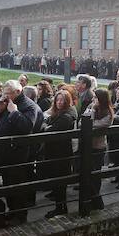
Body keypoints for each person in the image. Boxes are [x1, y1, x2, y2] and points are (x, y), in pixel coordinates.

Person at [0, 79, 42, 224]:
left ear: (18, 92)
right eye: (4, 93)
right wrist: (0, 110)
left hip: (19, 154)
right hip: (5, 152)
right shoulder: (7, 102)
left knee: (18, 186)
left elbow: (26, 127)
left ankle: (20, 215)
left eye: (8, 93)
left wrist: (14, 112)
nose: (5, 96)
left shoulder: (29, 106)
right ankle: (11, 210)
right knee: (7, 184)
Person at [41, 90, 77, 218]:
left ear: (67, 101)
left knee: (60, 183)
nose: (59, 102)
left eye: (62, 100)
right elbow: (45, 125)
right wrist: (46, 125)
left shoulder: (66, 116)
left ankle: (61, 208)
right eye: (57, 100)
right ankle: (60, 207)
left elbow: (48, 129)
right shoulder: (59, 114)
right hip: (54, 152)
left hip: (61, 154)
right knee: (57, 182)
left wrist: (46, 126)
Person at [82, 89, 112, 210]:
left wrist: (92, 112)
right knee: (86, 172)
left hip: (98, 146)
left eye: (95, 97)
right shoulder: (91, 106)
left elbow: (94, 124)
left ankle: (96, 200)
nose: (93, 99)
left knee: (95, 173)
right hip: (87, 145)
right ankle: (89, 198)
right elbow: (82, 122)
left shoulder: (108, 113)